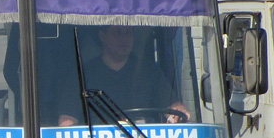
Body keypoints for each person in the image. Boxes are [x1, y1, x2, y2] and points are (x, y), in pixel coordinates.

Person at [58, 25, 188, 125]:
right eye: (117, 32)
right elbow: (67, 120)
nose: (124, 38)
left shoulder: (149, 71)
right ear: (103, 36)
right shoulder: (82, 76)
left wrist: (179, 113)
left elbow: (173, 106)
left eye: (128, 33)